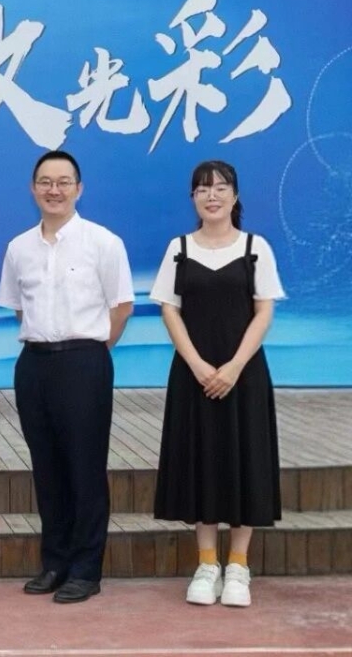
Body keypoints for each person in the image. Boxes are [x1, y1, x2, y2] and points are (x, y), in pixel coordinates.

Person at [0, 150, 133, 604]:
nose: (53, 190)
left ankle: (85, 570)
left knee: (85, 468)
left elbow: (121, 308)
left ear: (79, 188)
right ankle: (54, 562)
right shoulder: (19, 248)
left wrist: (89, 353)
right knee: (47, 468)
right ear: (33, 188)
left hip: (84, 362)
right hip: (34, 364)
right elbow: (20, 308)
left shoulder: (103, 242)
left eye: (63, 182)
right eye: (45, 182)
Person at [149, 160, 284, 608]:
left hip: (243, 375)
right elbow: (169, 310)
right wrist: (198, 365)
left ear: (235, 196)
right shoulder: (178, 249)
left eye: (221, 187)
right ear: (193, 198)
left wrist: (233, 367)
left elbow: (264, 311)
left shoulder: (255, 247)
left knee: (246, 460)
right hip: (194, 376)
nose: (212, 195)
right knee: (201, 461)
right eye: (203, 189)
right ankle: (207, 564)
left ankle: (239, 567)